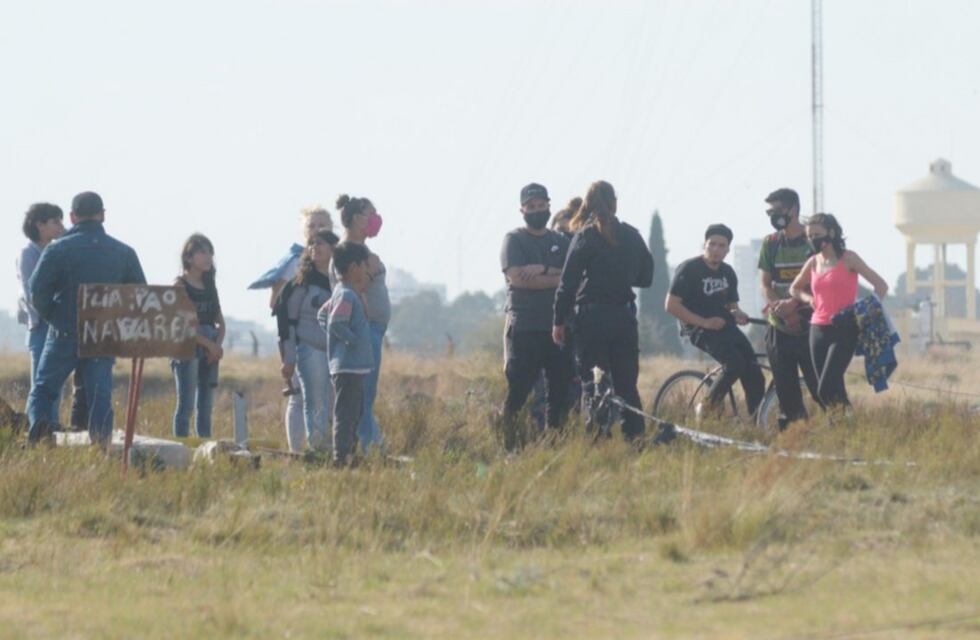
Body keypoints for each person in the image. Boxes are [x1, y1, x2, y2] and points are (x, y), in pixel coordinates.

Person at [27, 191, 146, 445]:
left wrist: (56, 317)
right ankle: (101, 448)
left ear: (72, 217)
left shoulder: (57, 249)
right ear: (102, 215)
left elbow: (37, 291)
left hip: (64, 333)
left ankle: (39, 443)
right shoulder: (124, 252)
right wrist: (114, 325)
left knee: (44, 391)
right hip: (101, 335)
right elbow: (140, 297)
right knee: (99, 397)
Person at [554, 180, 654, 442]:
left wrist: (558, 321)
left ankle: (598, 438)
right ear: (615, 204)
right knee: (627, 385)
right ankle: (635, 439)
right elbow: (647, 277)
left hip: (592, 319)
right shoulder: (632, 235)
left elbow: (567, 285)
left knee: (593, 384)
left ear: (587, 205)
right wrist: (621, 277)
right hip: (624, 318)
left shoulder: (585, 237)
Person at [248, 206, 334, 453]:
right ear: (303, 231)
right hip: (299, 341)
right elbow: (278, 303)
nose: (316, 231)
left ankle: (322, 446)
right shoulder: (293, 263)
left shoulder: (334, 265)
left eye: (322, 226)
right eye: (312, 226)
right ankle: (297, 450)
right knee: (299, 397)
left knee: (326, 398)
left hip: (329, 343)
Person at [499, 183, 574, 448]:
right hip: (526, 327)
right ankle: (508, 442)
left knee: (558, 393)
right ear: (522, 210)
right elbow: (519, 280)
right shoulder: (514, 240)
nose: (537, 210)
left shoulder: (560, 242)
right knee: (519, 391)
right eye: (531, 207)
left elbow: (571, 278)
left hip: (557, 327)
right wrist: (556, 277)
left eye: (542, 206)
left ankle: (553, 443)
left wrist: (541, 269)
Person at [666, 224, 765, 421]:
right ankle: (707, 407)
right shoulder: (689, 269)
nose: (716, 250)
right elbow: (671, 305)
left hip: (725, 327)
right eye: (712, 244)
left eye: (721, 246)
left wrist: (738, 313)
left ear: (728, 249)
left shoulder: (728, 272)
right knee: (734, 363)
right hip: (698, 328)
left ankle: (755, 424)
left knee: (755, 373)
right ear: (704, 244)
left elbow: (732, 305)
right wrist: (704, 322)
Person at [789, 214, 888, 409]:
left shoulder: (848, 258)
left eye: (817, 234)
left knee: (824, 390)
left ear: (831, 233)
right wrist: (809, 299)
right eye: (809, 236)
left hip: (844, 329)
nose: (813, 239)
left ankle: (846, 424)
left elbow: (881, 286)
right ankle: (842, 430)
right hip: (817, 329)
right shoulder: (813, 262)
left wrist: (863, 311)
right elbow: (794, 288)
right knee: (832, 391)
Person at [758, 188, 822, 429]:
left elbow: (821, 282)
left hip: (810, 325)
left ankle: (839, 434)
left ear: (793, 210)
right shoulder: (770, 243)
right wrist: (778, 306)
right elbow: (765, 283)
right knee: (786, 393)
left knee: (820, 388)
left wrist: (794, 307)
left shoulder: (812, 241)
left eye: (777, 211)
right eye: (769, 212)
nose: (773, 216)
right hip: (779, 328)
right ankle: (794, 439)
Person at [274, 229, 340, 452]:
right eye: (312, 244)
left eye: (321, 243)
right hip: (310, 350)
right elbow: (286, 322)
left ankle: (330, 448)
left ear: (334, 249)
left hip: (337, 353)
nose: (315, 248)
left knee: (333, 404)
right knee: (314, 402)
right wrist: (288, 357)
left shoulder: (340, 283)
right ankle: (317, 450)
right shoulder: (300, 284)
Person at [336, 194, 388, 453]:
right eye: (371, 213)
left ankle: (367, 441)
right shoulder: (346, 253)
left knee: (368, 393)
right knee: (363, 394)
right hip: (363, 329)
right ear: (357, 219)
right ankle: (368, 445)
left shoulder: (364, 251)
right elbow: (350, 288)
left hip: (374, 329)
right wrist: (369, 271)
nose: (375, 219)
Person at [318, 242, 374, 466]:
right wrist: (352, 340)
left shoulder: (340, 294)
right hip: (348, 366)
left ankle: (349, 453)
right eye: (363, 265)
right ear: (353, 267)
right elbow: (335, 323)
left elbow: (323, 316)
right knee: (346, 413)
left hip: (352, 365)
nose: (365, 271)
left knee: (355, 411)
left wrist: (338, 339)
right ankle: (341, 457)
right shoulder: (347, 296)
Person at [172, 234, 225, 439]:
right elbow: (182, 325)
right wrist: (208, 345)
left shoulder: (210, 284)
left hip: (210, 347)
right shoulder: (180, 285)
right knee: (185, 404)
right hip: (187, 348)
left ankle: (205, 443)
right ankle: (181, 445)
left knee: (205, 405)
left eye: (210, 252)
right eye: (202, 252)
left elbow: (220, 322)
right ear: (189, 257)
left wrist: (216, 347)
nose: (208, 256)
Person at [17, 203, 65, 418]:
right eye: (55, 222)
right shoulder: (28, 253)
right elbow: (31, 292)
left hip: (55, 323)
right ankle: (35, 429)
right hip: (40, 325)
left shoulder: (54, 250)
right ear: (40, 225)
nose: (60, 226)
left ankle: (50, 427)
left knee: (55, 385)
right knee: (40, 384)